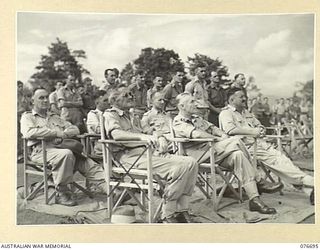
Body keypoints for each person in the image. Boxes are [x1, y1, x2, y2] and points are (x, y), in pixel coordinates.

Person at [172, 93, 281, 214]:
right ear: (182, 106)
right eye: (191, 102)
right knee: (236, 141)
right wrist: (218, 139)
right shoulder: (178, 122)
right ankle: (258, 180)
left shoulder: (197, 118)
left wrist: (221, 134)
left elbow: (213, 128)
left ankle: (254, 199)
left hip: (215, 152)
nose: (195, 104)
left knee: (238, 155)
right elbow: (198, 134)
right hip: (200, 156)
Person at [103, 87, 199, 223]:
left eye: (131, 94)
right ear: (114, 100)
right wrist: (142, 137)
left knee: (191, 163)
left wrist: (158, 136)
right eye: (126, 95)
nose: (131, 97)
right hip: (128, 157)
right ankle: (168, 213)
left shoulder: (133, 116)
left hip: (147, 153)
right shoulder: (110, 115)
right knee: (180, 168)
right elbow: (116, 134)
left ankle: (182, 209)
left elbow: (147, 131)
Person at [219, 88, 314, 205]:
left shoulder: (246, 113)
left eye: (245, 96)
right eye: (241, 97)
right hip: (245, 148)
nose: (245, 99)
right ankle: (311, 183)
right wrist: (253, 132)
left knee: (283, 161)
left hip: (260, 144)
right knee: (279, 163)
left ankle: (309, 189)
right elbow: (230, 130)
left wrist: (261, 129)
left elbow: (258, 125)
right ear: (232, 99)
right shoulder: (226, 113)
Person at [20, 88, 110, 206]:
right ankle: (62, 193)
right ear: (32, 101)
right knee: (66, 154)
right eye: (41, 98)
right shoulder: (28, 117)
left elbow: (74, 128)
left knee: (86, 161)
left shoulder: (55, 117)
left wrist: (64, 134)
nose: (45, 100)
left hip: (62, 150)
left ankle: (110, 190)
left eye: (47, 97)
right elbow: (29, 133)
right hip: (41, 152)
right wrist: (55, 133)